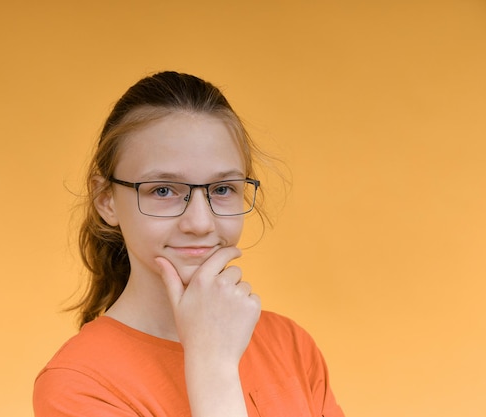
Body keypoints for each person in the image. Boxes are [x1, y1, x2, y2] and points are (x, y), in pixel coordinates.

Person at [33, 71, 345, 417]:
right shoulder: (78, 384)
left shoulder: (290, 346)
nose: (200, 223)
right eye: (163, 191)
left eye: (222, 189)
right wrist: (213, 366)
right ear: (106, 199)